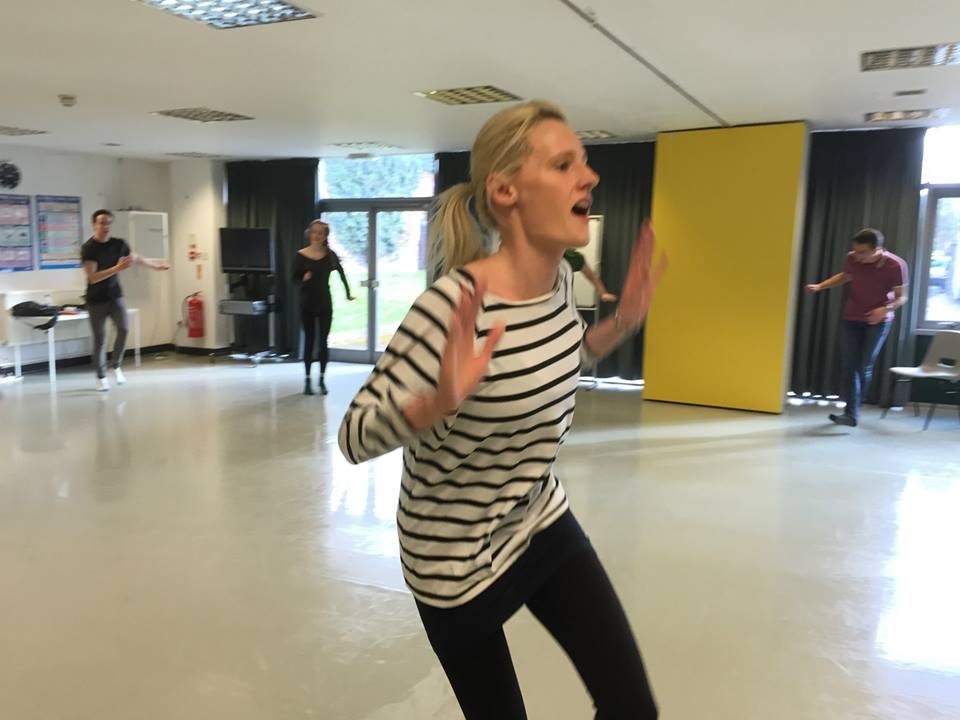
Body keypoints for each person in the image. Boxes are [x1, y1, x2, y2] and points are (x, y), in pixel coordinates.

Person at [338, 100, 666, 719]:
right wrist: (435, 402)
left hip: (536, 516)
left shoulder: (560, 282)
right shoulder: (450, 308)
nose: (589, 176)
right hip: (450, 559)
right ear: (506, 191)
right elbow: (352, 436)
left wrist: (622, 321)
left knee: (631, 706)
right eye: (564, 164)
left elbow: (561, 354)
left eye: (584, 162)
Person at [806, 228, 908, 427]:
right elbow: (845, 276)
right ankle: (851, 414)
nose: (857, 256)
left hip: (878, 321)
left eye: (862, 252)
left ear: (877, 249)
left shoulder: (895, 265)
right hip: (851, 318)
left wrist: (884, 309)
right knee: (849, 365)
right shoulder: (852, 258)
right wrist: (820, 286)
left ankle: (855, 407)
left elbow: (901, 297)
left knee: (863, 366)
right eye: (855, 251)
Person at [81, 209, 170, 391]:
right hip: (96, 300)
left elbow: (136, 258)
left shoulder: (118, 244)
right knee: (100, 339)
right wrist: (117, 268)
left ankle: (116, 365)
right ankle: (100, 376)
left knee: (124, 329)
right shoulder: (88, 248)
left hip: (115, 296)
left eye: (108, 223)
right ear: (94, 225)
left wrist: (156, 266)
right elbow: (93, 277)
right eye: (102, 223)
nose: (105, 226)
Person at [293, 220, 353, 395]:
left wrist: (348, 293)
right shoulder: (301, 255)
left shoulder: (330, 255)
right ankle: (307, 380)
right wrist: (302, 278)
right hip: (306, 304)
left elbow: (341, 273)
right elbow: (293, 278)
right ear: (309, 234)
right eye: (314, 232)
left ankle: (321, 380)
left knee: (323, 342)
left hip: (324, 303)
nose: (317, 235)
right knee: (309, 341)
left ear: (325, 236)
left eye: (320, 233)